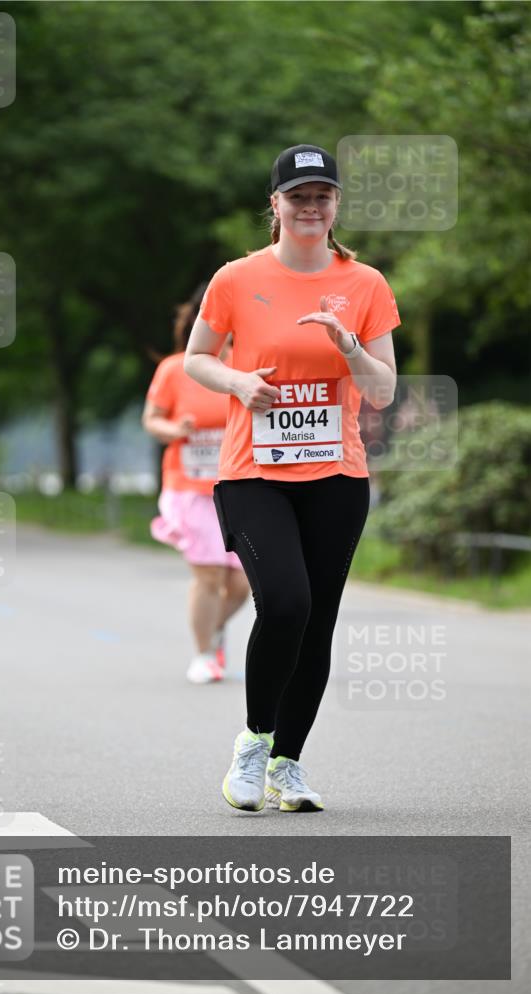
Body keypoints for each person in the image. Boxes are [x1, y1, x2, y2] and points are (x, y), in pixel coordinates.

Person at [184, 145, 400, 811]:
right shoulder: (234, 278)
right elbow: (195, 359)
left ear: (335, 207)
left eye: (321, 196)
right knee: (285, 603)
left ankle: (287, 765)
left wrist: (349, 347)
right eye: (297, 197)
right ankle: (252, 744)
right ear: (273, 206)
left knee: (318, 620)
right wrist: (238, 381)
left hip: (336, 474)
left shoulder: (365, 285)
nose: (310, 207)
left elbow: (384, 391)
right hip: (254, 473)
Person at [142, 285, 250, 684]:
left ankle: (213, 628)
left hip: (237, 487)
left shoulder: (245, 364)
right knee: (208, 576)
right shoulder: (174, 368)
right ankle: (204, 653)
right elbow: (151, 420)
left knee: (241, 583)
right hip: (188, 488)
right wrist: (175, 429)